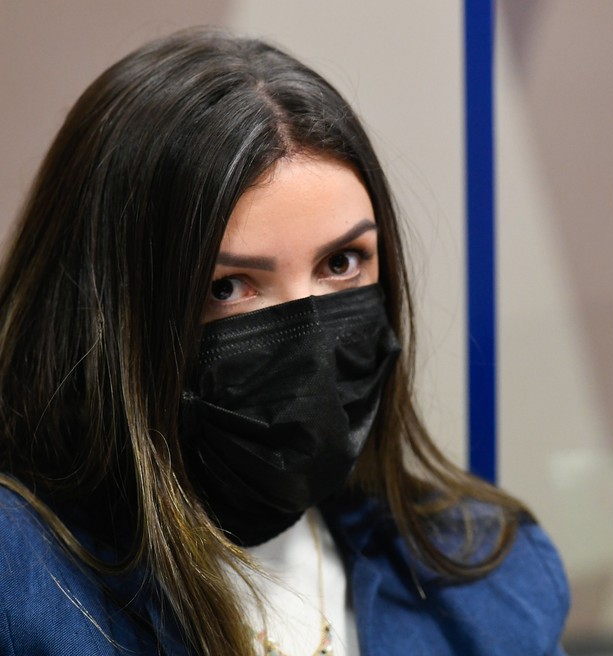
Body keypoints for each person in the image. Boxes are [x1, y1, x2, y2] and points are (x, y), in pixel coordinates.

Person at [0, 27, 569, 655]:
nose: (311, 348)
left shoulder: (483, 578)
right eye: (228, 286)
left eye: (342, 264)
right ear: (102, 310)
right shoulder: (22, 588)